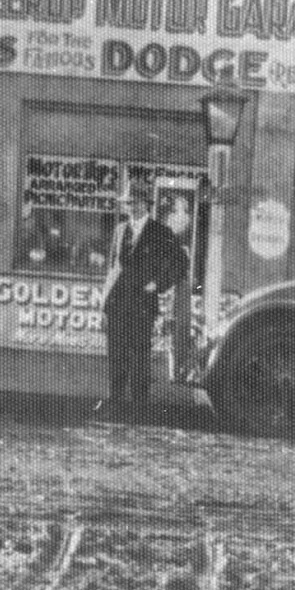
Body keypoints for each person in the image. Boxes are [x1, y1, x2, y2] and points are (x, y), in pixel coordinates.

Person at [97, 181, 188, 422]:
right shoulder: (120, 230)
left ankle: (139, 410)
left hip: (141, 306)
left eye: (134, 203)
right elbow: (112, 268)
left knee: (139, 358)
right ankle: (115, 405)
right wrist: (104, 304)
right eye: (127, 203)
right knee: (116, 357)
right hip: (117, 303)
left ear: (146, 204)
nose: (130, 207)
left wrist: (157, 284)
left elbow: (181, 263)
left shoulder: (160, 232)